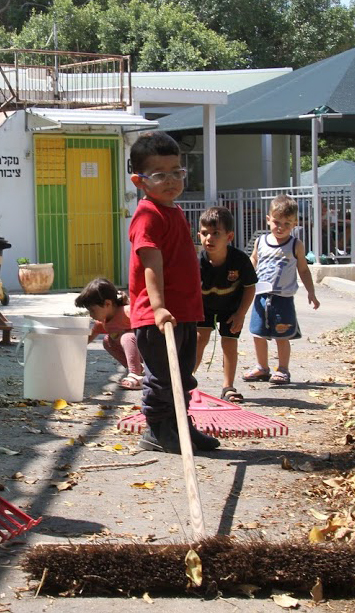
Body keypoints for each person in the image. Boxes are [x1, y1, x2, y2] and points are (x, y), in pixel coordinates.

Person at [128, 131, 220, 454]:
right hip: (157, 316)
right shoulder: (148, 215)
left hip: (184, 312)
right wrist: (158, 308)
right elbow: (151, 263)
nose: (170, 181)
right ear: (139, 181)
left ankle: (181, 425)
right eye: (159, 175)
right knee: (163, 377)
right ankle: (158, 429)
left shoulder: (174, 211)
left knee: (182, 374)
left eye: (176, 172)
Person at [243, 195, 320, 384]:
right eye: (277, 222)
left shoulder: (295, 245)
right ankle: (262, 367)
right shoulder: (261, 241)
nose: (281, 227)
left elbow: (303, 269)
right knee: (258, 333)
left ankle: (283, 369)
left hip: (283, 298)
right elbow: (254, 259)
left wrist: (311, 292)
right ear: (268, 219)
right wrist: (245, 279)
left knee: (282, 334)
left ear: (295, 223)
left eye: (287, 223)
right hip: (261, 296)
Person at [194, 206, 257, 402]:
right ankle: (186, 381)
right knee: (199, 339)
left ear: (229, 237)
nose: (209, 238)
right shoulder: (196, 262)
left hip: (231, 308)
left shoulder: (240, 260)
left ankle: (228, 387)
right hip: (204, 307)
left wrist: (241, 314)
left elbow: (250, 287)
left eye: (216, 233)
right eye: (205, 233)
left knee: (229, 342)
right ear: (199, 235)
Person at [75, 278, 144, 390]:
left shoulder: (126, 312)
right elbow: (86, 340)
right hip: (137, 355)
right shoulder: (102, 322)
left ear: (107, 304)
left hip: (148, 350)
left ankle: (135, 375)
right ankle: (137, 369)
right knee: (107, 341)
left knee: (127, 337)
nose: (91, 315)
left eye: (93, 310)